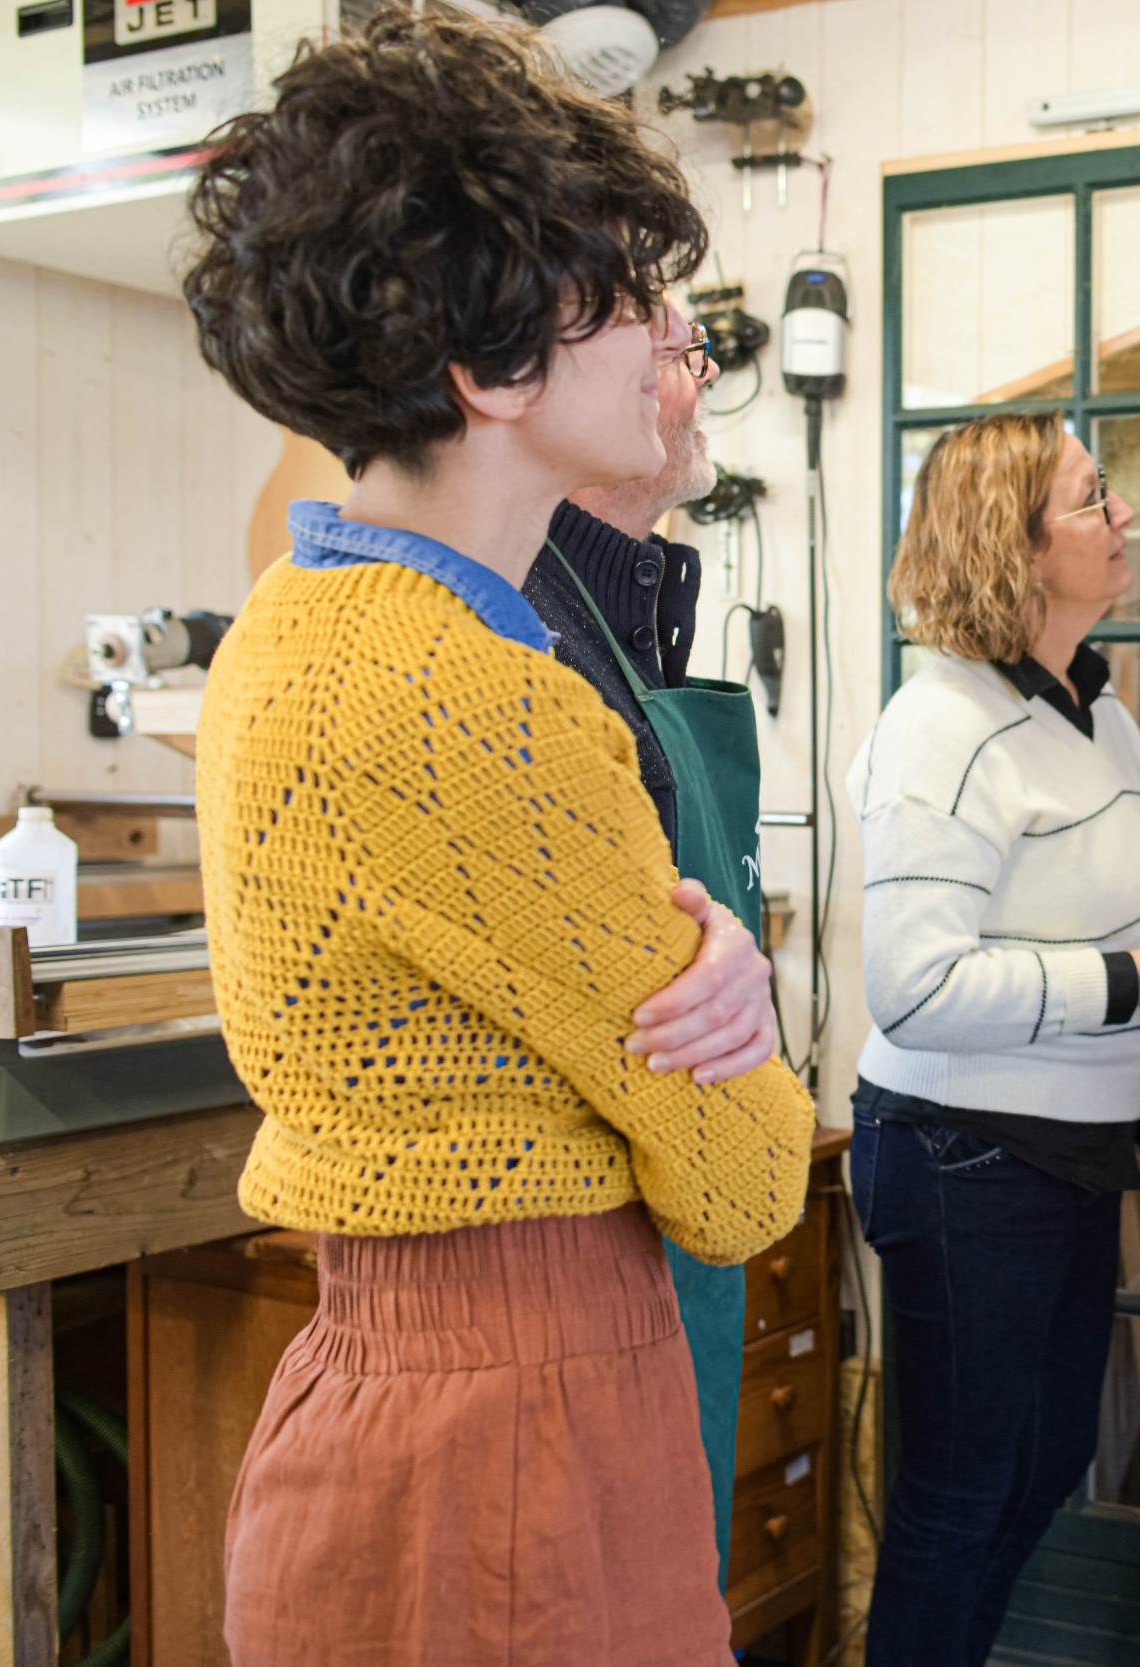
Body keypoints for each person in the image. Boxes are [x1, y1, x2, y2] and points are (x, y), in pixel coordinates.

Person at [182, 11, 814, 1663]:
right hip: (519, 1439)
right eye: (623, 304)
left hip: (375, 1393)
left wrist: (705, 973)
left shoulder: (284, 632)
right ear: (493, 367)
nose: (666, 345)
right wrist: (724, 991)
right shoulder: (481, 700)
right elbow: (746, 1177)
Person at [846, 411, 1140, 1666]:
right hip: (963, 1151)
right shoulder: (942, 723)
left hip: (1073, 1149)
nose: (1123, 516)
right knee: (961, 1495)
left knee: (1038, 1473)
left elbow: (1059, 890)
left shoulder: (1103, 714)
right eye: (1092, 500)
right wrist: (1137, 973)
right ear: (1013, 546)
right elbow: (913, 986)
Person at [525, 304, 779, 1582]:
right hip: (600, 1245)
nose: (700, 376)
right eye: (676, 353)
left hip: (692, 1211)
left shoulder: (633, 614)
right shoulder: (530, 642)